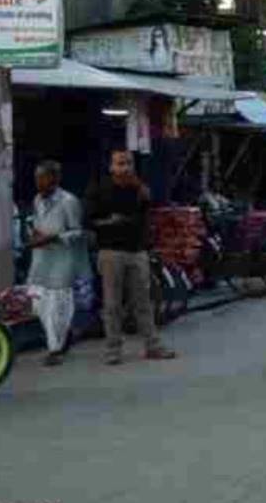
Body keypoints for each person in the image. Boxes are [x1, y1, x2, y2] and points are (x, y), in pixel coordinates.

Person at [84, 150, 177, 365]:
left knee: (143, 302)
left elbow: (146, 213)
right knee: (112, 303)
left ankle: (153, 346)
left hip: (137, 251)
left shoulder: (139, 187)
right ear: (111, 167)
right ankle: (113, 350)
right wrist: (110, 222)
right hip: (111, 252)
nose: (124, 167)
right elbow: (88, 220)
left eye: (128, 163)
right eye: (120, 163)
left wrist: (141, 190)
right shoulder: (99, 188)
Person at [25, 160, 89, 366]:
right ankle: (65, 334)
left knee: (57, 306)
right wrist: (33, 235)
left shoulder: (69, 201)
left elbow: (78, 232)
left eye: (42, 177)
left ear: (53, 179)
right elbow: (36, 223)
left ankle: (55, 350)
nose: (38, 181)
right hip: (41, 258)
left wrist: (54, 238)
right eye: (36, 177)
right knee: (38, 304)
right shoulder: (36, 200)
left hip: (63, 259)